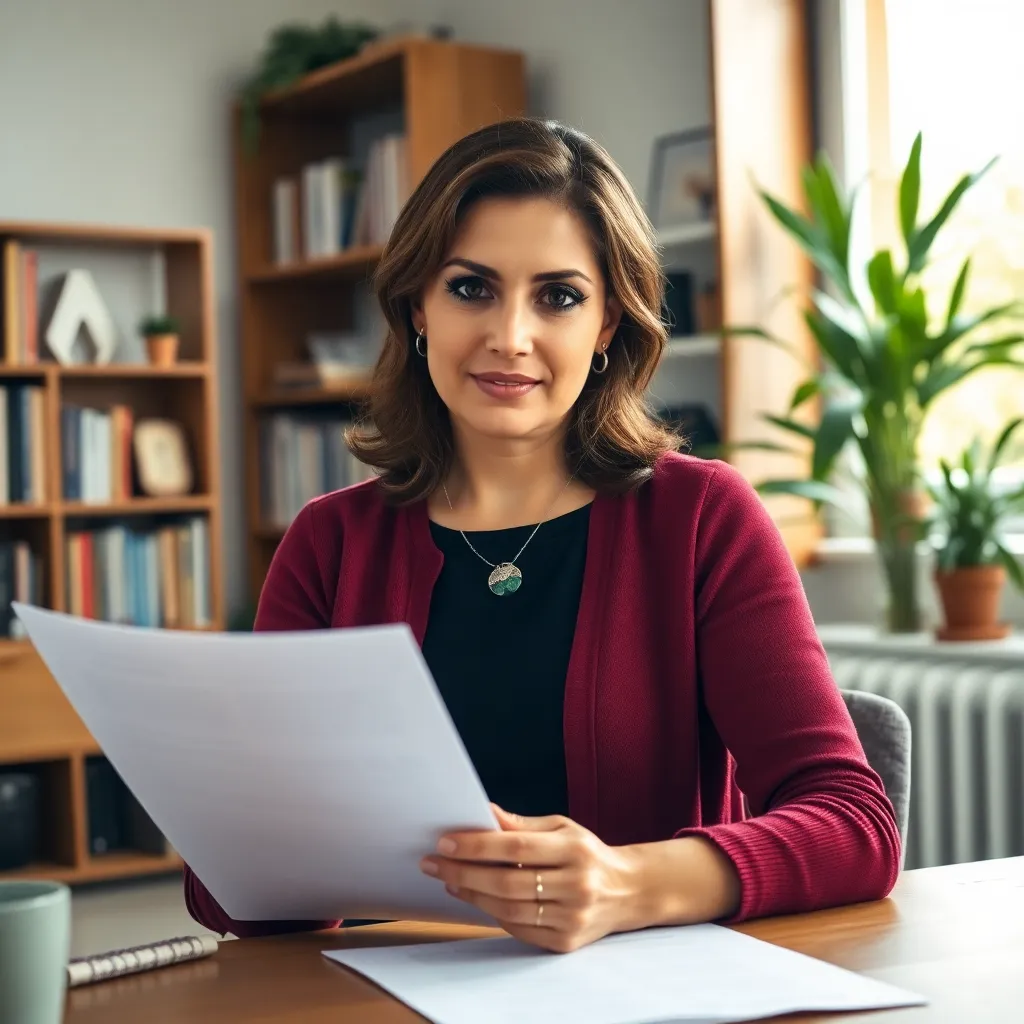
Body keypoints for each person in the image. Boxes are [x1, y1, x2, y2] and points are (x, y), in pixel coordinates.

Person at [185, 117, 900, 953]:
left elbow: (856, 826)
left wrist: (624, 885)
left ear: (606, 325)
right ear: (418, 304)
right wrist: (244, 843)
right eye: (471, 288)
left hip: (642, 997)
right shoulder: (327, 545)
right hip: (385, 997)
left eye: (557, 296)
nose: (509, 337)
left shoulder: (703, 518)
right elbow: (230, 898)